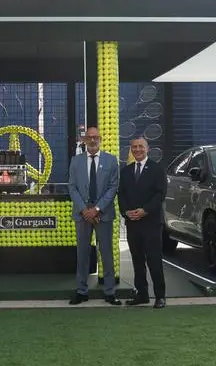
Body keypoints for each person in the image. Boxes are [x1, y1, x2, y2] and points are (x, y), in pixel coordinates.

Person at [67, 126, 121, 305]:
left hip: (103, 214)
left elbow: (113, 187)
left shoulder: (111, 161)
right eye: (89, 137)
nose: (92, 140)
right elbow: (72, 187)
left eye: (95, 137)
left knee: (106, 253)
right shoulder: (76, 161)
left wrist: (97, 209)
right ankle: (81, 291)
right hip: (82, 215)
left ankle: (110, 292)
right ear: (84, 140)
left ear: (100, 139)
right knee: (82, 254)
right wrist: (85, 210)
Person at [118, 137, 167, 308]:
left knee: (154, 260)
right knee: (137, 261)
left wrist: (145, 210)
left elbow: (160, 194)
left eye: (141, 146)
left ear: (148, 149)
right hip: (132, 223)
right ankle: (142, 294)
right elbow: (121, 194)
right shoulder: (125, 171)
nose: (137, 149)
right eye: (134, 147)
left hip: (151, 223)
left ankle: (160, 296)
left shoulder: (157, 169)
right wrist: (126, 212)